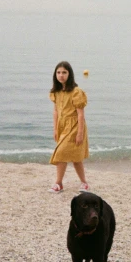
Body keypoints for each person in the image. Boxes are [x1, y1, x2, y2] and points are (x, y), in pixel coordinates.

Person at [48, 61, 89, 193]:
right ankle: (84, 183)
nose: (61, 75)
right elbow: (55, 111)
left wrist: (80, 133)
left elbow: (81, 114)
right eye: (58, 72)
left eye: (64, 72)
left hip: (75, 126)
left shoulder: (76, 92)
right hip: (62, 126)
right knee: (76, 158)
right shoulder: (56, 92)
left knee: (61, 153)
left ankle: (58, 183)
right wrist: (55, 129)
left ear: (69, 74)